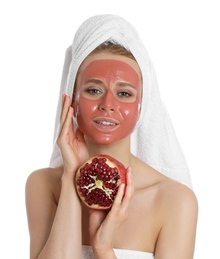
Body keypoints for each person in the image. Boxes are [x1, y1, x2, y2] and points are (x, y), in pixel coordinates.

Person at [25, 14, 198, 259]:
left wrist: (104, 250)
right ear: (72, 98)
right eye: (94, 90)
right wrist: (71, 180)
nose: (108, 104)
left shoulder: (175, 201)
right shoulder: (45, 185)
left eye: (124, 93)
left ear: (142, 106)